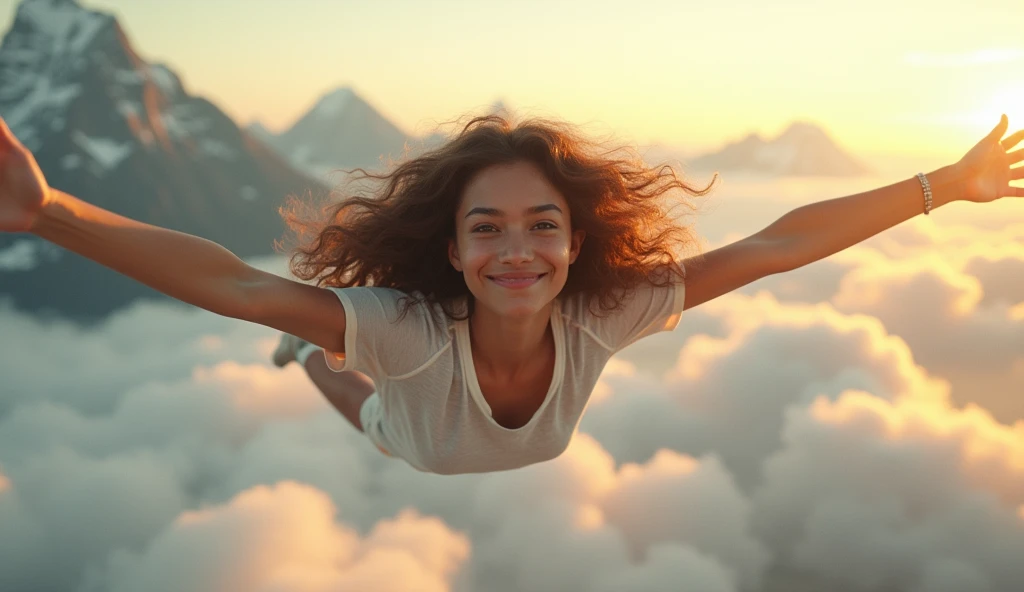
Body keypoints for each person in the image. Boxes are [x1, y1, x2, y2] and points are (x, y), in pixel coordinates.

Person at [1, 113, 1020, 474]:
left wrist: (941, 186)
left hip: (440, 417)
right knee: (352, 389)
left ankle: (322, 352)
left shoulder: (604, 310)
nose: (517, 250)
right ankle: (317, 357)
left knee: (360, 378)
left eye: (542, 224)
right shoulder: (408, 330)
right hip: (408, 418)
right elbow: (233, 282)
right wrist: (50, 214)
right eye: (485, 227)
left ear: (577, 242)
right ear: (450, 248)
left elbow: (772, 242)